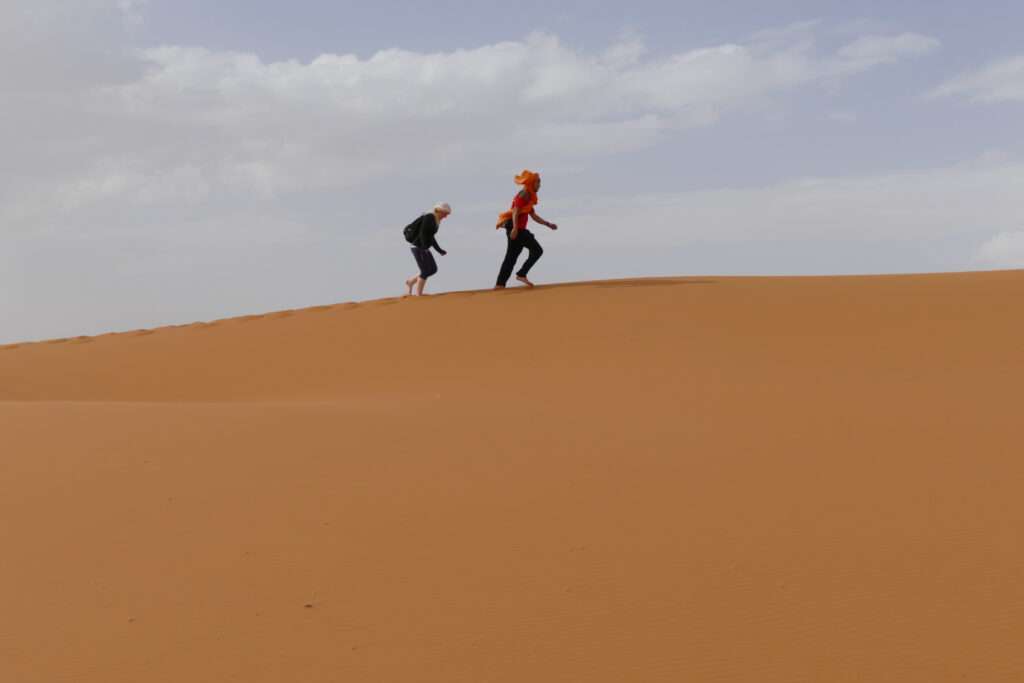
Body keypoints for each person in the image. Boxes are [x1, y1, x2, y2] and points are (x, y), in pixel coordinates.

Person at [494, 170, 558, 288]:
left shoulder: (529, 197)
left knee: (511, 257)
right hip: (517, 229)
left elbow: (533, 216)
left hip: (516, 228)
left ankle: (500, 284)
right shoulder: (525, 194)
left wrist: (548, 224)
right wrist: (515, 228)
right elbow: (515, 211)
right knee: (537, 250)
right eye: (538, 183)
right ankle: (522, 274)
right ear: (532, 183)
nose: (539, 185)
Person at [403, 202, 451, 296]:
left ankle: (410, 282)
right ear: (438, 211)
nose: (445, 217)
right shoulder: (429, 217)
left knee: (433, 269)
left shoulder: (435, 220)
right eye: (445, 214)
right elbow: (423, 233)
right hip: (418, 247)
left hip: (423, 247)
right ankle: (419, 295)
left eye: (447, 214)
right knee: (425, 271)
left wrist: (439, 250)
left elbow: (431, 237)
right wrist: (424, 248)